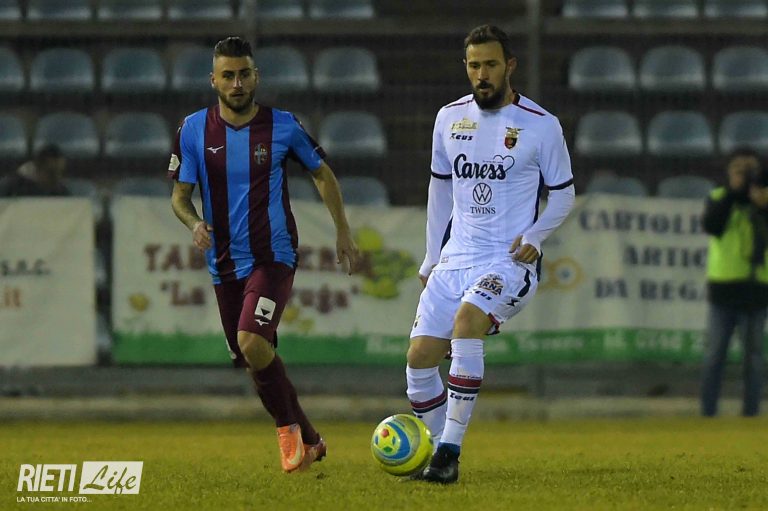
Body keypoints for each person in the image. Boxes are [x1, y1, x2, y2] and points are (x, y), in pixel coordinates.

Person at [168, 37, 359, 473]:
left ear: (256, 77)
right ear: (213, 80)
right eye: (228, 75)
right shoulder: (193, 130)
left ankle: (288, 435)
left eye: (244, 74)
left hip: (274, 255)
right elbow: (179, 196)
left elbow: (322, 174)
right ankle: (311, 440)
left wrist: (342, 229)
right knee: (253, 356)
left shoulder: (283, 126)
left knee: (252, 341)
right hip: (224, 263)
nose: (237, 83)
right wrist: (194, 223)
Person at [406, 25, 575, 484]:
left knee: (467, 322)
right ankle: (436, 451)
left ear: (509, 66)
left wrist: (537, 235)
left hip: (508, 259)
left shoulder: (541, 125)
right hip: (456, 257)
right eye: (474, 65)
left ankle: (448, 452)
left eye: (491, 65)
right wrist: (431, 257)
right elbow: (440, 190)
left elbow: (563, 194)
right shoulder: (449, 118)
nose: (482, 74)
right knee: (419, 358)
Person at [701, 147, 768, 417]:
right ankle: (708, 412)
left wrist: (762, 206)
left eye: (750, 169)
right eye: (739, 169)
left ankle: (751, 413)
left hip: (757, 291)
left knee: (754, 359)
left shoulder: (765, 200)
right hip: (723, 290)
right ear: (729, 172)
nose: (745, 174)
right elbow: (712, 226)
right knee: (714, 356)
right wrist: (733, 192)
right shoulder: (719, 196)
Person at [0, 144, 69, 197]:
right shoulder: (13, 189)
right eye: (51, 173)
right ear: (38, 168)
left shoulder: (61, 192)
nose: (58, 177)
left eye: (61, 172)